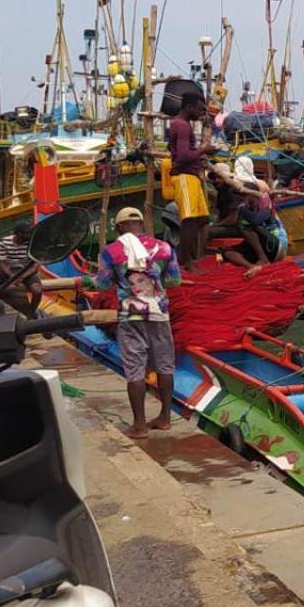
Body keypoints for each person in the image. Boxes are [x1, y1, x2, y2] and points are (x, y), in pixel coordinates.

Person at [93, 207, 182, 438]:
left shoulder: (111, 252)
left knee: (135, 370)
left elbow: (102, 285)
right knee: (165, 366)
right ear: (142, 224)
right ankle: (164, 418)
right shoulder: (164, 248)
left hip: (130, 317)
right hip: (160, 314)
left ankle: (139, 426)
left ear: (120, 227)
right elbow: (174, 281)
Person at [167, 94, 216, 264]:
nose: (202, 112)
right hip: (184, 177)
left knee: (202, 219)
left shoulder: (181, 124)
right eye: (199, 108)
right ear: (189, 107)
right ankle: (185, 262)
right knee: (189, 221)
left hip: (191, 176)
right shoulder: (182, 126)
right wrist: (204, 150)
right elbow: (183, 156)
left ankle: (191, 257)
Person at [0, 219, 43, 317]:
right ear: (19, 233)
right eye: (27, 233)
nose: (30, 235)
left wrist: (21, 277)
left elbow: (35, 266)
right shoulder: (4, 241)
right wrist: (12, 276)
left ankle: (31, 312)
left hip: (27, 272)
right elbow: (2, 262)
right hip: (10, 270)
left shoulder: (33, 243)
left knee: (37, 291)